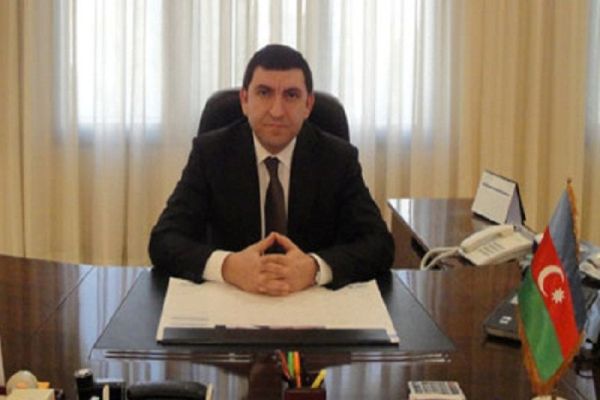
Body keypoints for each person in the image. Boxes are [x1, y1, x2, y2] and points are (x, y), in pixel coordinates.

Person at [149, 44, 394, 296]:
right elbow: (164, 240)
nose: (277, 111)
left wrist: (314, 268)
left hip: (308, 303)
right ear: (245, 100)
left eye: (291, 95)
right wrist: (228, 267)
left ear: (308, 105)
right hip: (233, 301)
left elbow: (379, 244)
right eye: (264, 93)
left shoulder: (338, 158)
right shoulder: (211, 154)